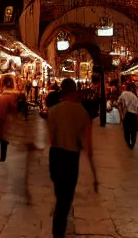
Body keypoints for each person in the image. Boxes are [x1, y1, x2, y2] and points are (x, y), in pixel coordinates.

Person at [47, 78, 97, 238]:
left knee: (60, 194)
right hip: (70, 157)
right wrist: (94, 175)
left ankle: (58, 225)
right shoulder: (82, 112)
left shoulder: (53, 111)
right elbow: (88, 145)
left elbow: (51, 138)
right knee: (65, 198)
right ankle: (58, 230)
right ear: (74, 91)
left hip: (55, 155)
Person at [0, 76, 17, 162]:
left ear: (3, 85)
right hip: (8, 123)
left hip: (0, 121)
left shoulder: (0, 97)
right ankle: (2, 158)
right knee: (4, 141)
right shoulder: (15, 96)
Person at [117, 82, 138, 149]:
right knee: (133, 130)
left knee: (127, 129)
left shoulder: (124, 93)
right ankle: (132, 143)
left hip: (127, 114)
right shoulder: (135, 96)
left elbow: (118, 102)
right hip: (134, 115)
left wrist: (121, 111)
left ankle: (127, 142)